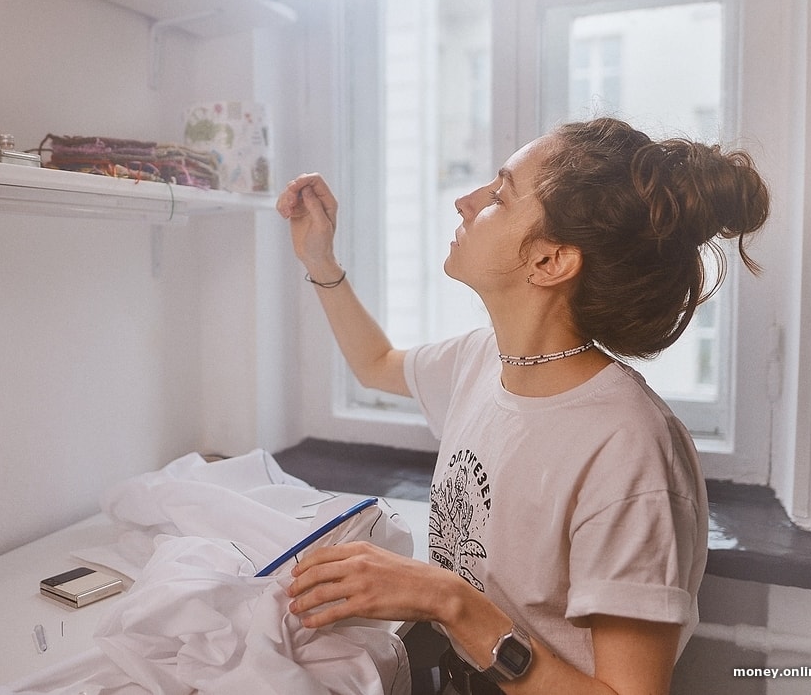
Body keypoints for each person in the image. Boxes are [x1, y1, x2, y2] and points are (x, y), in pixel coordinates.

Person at [276, 117, 770, 695]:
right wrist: (320, 262)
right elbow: (376, 363)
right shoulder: (484, 360)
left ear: (549, 261)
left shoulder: (629, 449)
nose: (465, 202)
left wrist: (447, 599)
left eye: (499, 195)